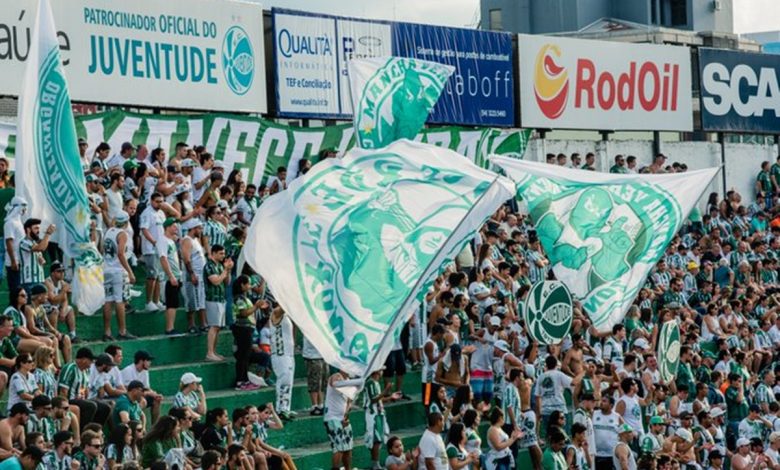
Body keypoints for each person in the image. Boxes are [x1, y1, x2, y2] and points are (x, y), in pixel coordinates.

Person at [102, 210, 137, 340]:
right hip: (117, 270)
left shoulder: (108, 231)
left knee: (107, 300)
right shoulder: (122, 234)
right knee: (120, 300)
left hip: (106, 268)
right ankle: (122, 331)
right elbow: (121, 254)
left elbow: (102, 250)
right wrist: (130, 272)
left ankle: (107, 332)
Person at [58, 347, 111, 429]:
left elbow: (84, 389)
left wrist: (83, 397)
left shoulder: (86, 371)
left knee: (105, 408)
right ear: (84, 359)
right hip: (69, 399)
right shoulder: (70, 368)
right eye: (91, 360)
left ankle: (95, 430)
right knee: (90, 406)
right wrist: (64, 406)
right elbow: (63, 391)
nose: (92, 362)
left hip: (79, 399)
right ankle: (83, 431)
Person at [364, 369, 401, 470]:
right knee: (376, 439)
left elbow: (378, 399)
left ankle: (375, 463)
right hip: (373, 414)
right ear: (376, 371)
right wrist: (386, 390)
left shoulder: (375, 383)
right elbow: (373, 399)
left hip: (378, 413)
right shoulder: (370, 382)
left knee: (378, 439)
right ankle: (375, 464)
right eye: (381, 370)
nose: (382, 372)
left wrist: (390, 397)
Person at [204, 244, 232, 361]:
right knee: (213, 326)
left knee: (218, 327)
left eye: (224, 253)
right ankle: (209, 353)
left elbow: (227, 282)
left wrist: (228, 270)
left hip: (221, 299)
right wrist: (225, 270)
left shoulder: (220, 266)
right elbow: (215, 281)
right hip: (212, 299)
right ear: (214, 253)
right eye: (220, 253)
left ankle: (213, 351)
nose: (223, 256)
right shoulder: (209, 266)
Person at [120, 350, 162, 424]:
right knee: (143, 401)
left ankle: (155, 428)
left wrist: (155, 394)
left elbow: (147, 388)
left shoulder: (145, 371)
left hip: (140, 395)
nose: (150, 363)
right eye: (148, 360)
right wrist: (148, 393)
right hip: (129, 398)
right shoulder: (128, 370)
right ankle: (134, 424)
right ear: (141, 361)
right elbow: (130, 391)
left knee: (156, 400)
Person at [181, 218, 207, 335]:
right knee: (192, 300)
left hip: (200, 275)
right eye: (199, 228)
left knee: (201, 300)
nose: (201, 231)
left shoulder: (196, 240)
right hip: (192, 275)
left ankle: (203, 324)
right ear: (194, 228)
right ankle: (191, 325)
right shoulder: (187, 240)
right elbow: (186, 259)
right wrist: (191, 274)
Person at [140, 193, 165, 312]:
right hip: (150, 249)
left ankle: (157, 301)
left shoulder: (161, 213)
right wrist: (154, 242)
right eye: (157, 201)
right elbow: (144, 229)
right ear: (151, 201)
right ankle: (148, 302)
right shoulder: (147, 213)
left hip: (161, 248)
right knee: (152, 275)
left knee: (159, 276)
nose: (159, 204)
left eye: (161, 201)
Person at [269, 306, 295, 420]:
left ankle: (285, 408)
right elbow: (283, 307)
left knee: (288, 383)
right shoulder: (276, 313)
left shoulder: (286, 316)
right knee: (283, 381)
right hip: (280, 354)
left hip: (289, 354)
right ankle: (279, 409)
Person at [158, 217, 183, 336]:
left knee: (174, 303)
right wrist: (171, 276)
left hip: (175, 275)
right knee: (171, 303)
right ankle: (169, 328)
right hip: (169, 277)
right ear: (167, 227)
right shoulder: (162, 240)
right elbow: (163, 258)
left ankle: (171, 327)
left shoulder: (170, 240)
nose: (176, 228)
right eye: (174, 226)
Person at [323, 369, 353, 470]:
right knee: (338, 448)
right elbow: (334, 383)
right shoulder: (336, 376)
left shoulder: (349, 381)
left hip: (343, 419)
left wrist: (346, 417)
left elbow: (349, 403)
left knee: (348, 447)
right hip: (332, 418)